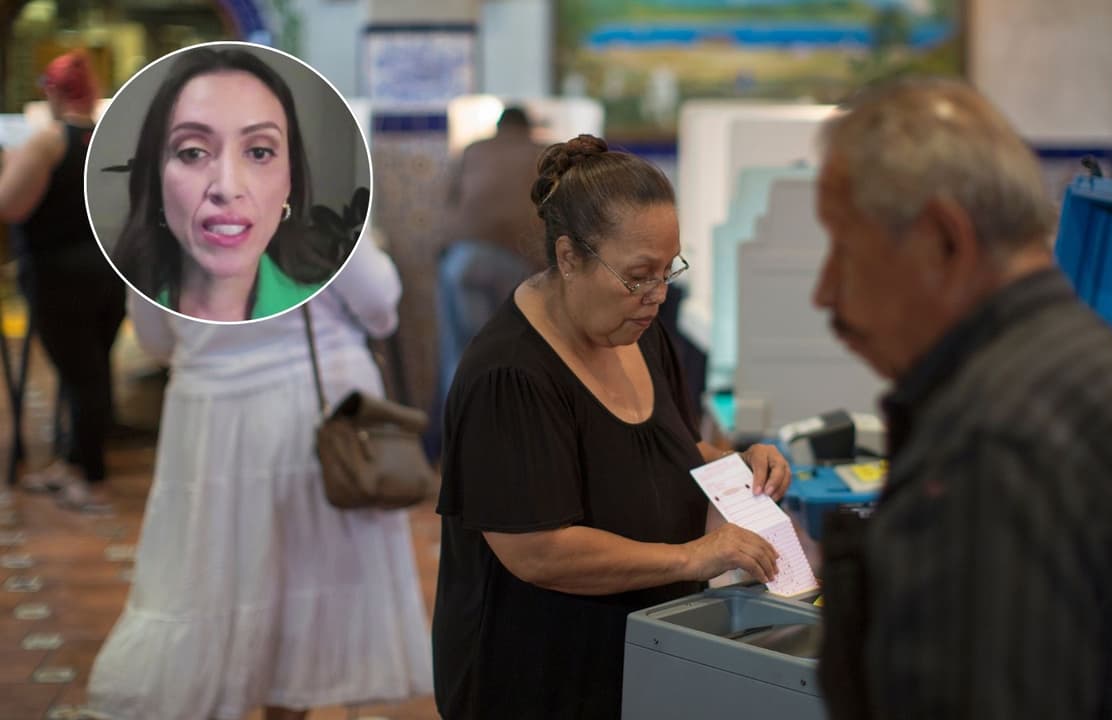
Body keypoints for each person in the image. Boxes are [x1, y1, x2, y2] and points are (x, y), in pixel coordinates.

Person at [811, 77, 1112, 719]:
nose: (824, 291)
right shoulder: (1088, 377)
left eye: (844, 249)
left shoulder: (994, 447)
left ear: (945, 240)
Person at [433, 134, 793, 719]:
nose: (656, 296)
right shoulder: (510, 376)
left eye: (668, 271)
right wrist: (691, 557)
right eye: (637, 276)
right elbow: (539, 551)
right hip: (540, 677)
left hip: (642, 658)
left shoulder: (639, 331)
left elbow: (666, 448)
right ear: (569, 257)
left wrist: (736, 466)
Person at [86, 236, 433, 718]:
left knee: (213, 574)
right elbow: (378, 303)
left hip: (208, 415)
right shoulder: (319, 216)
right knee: (307, 575)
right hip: (312, 404)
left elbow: (155, 340)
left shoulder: (159, 226)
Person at [111, 46, 348, 322]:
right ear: (157, 178)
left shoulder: (327, 297)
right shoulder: (130, 299)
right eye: (193, 152)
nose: (227, 188)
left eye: (259, 152)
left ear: (290, 180)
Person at [0, 50, 125, 512]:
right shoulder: (111, 141)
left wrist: (12, 162)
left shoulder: (48, 142)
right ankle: (74, 464)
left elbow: (10, 205)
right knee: (93, 372)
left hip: (59, 276)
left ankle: (92, 480)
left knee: (81, 377)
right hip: (111, 274)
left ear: (53, 92)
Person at [428, 106, 545, 458]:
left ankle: (459, 449)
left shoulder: (473, 150)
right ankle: (511, 447)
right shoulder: (543, 153)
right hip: (518, 263)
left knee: (461, 355)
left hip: (463, 259)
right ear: (528, 128)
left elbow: (449, 204)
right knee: (515, 354)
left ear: (498, 127)